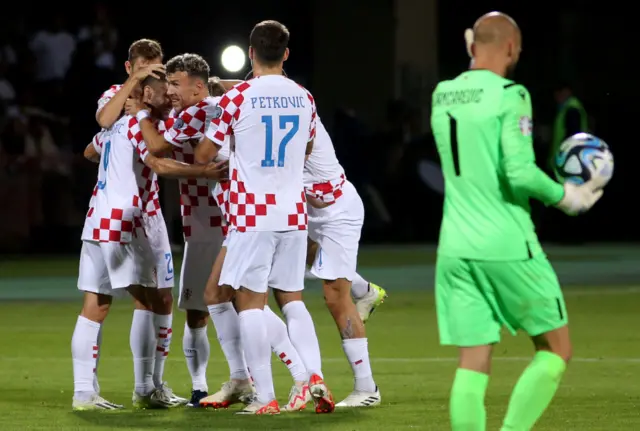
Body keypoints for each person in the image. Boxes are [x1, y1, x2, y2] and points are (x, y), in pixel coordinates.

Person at [430, 12, 604, 430]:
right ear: (511, 48)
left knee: (472, 362)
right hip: (506, 243)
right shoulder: (512, 94)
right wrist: (569, 196)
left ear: (472, 44)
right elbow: (520, 172)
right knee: (555, 349)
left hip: (454, 247)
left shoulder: (443, 93)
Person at [196, 20, 334, 415]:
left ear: (251, 52)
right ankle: (314, 374)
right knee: (292, 299)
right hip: (293, 212)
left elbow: (205, 156)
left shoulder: (236, 99)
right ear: (286, 54)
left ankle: (264, 395)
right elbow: (306, 148)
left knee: (250, 303)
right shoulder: (304, 97)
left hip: (251, 213)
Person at [72, 73, 226, 410]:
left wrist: (115, 167)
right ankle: (146, 388)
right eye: (163, 90)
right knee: (152, 300)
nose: (170, 95)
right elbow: (157, 158)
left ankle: (84, 392)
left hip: (97, 218)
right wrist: (201, 172)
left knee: (95, 306)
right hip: (127, 220)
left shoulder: (114, 126)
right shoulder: (139, 125)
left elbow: (89, 151)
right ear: (145, 92)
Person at [126, 53, 229, 408]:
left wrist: (139, 112)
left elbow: (156, 148)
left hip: (216, 220)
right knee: (203, 310)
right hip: (202, 222)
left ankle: (237, 382)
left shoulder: (194, 112)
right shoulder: (208, 105)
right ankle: (204, 387)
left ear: (196, 86)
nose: (169, 91)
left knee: (227, 307)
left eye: (174, 83)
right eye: (167, 83)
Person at [92, 38, 186, 406]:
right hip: (126, 215)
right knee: (141, 297)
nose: (151, 72)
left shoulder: (159, 102)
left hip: (152, 213)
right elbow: (101, 125)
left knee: (163, 297)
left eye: (155, 65)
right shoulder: (116, 97)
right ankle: (143, 386)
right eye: (143, 66)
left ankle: (154, 385)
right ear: (130, 67)